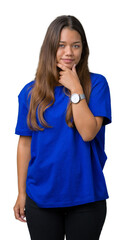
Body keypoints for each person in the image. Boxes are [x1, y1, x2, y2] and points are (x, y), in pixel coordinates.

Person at [13, 15, 112, 240]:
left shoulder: (96, 85)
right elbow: (25, 144)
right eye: (61, 45)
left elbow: (88, 133)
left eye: (75, 45)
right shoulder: (31, 92)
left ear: (83, 49)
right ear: (50, 48)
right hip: (41, 198)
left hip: (87, 198)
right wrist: (21, 193)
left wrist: (76, 87)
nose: (69, 52)